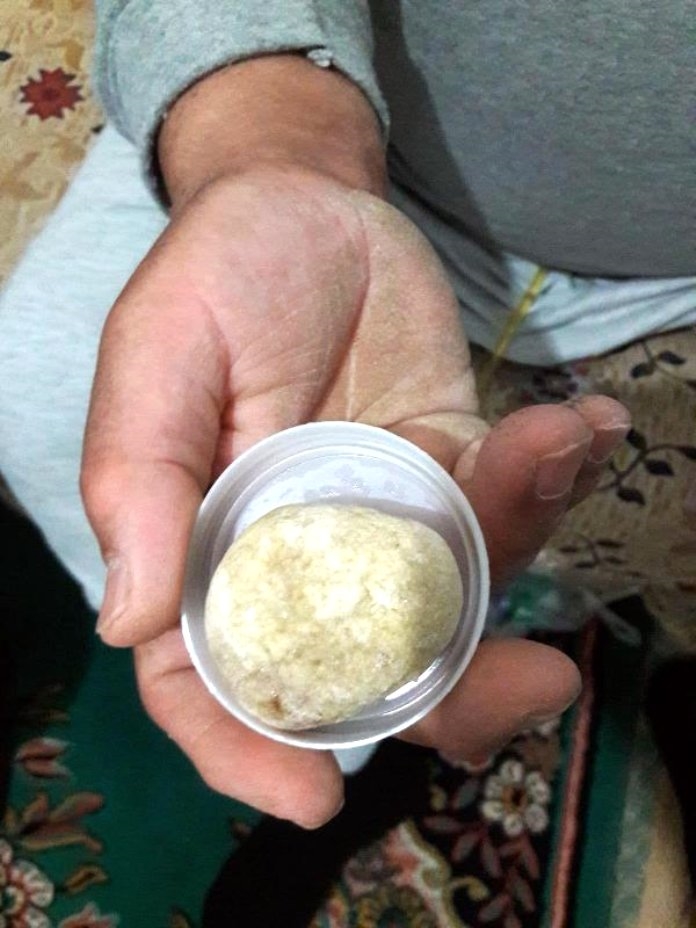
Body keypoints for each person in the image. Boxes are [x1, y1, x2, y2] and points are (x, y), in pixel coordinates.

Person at [0, 2, 693, 833]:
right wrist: (275, 135)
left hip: (662, 281)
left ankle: (368, 726)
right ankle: (343, 739)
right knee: (39, 388)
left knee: (548, 484)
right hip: (311, 109)